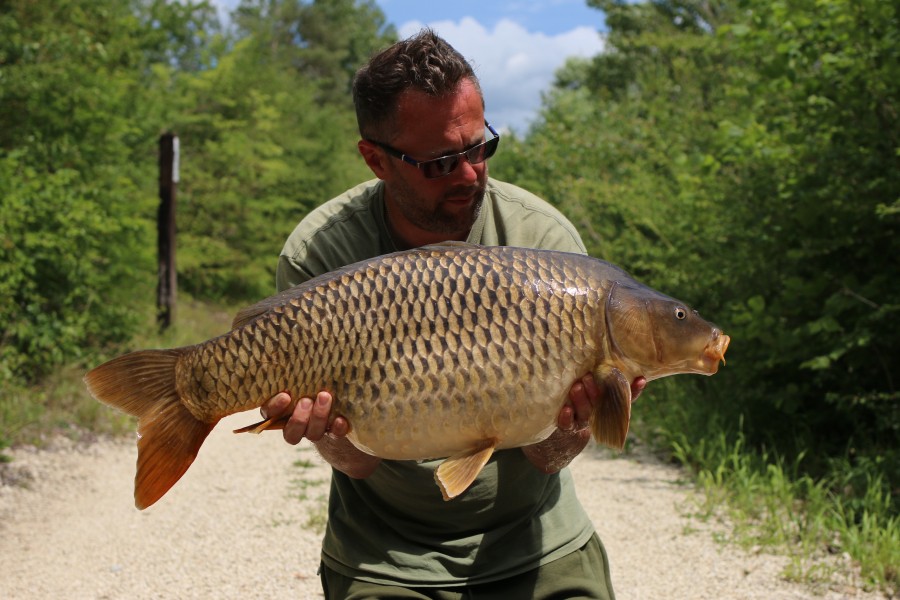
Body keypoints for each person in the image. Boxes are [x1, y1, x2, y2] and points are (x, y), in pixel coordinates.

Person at [262, 29, 645, 599]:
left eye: (478, 148)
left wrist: (575, 422)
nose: (469, 175)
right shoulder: (321, 254)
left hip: (532, 539)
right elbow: (356, 465)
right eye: (442, 162)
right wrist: (327, 434)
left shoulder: (545, 242)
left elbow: (547, 459)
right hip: (383, 551)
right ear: (376, 159)